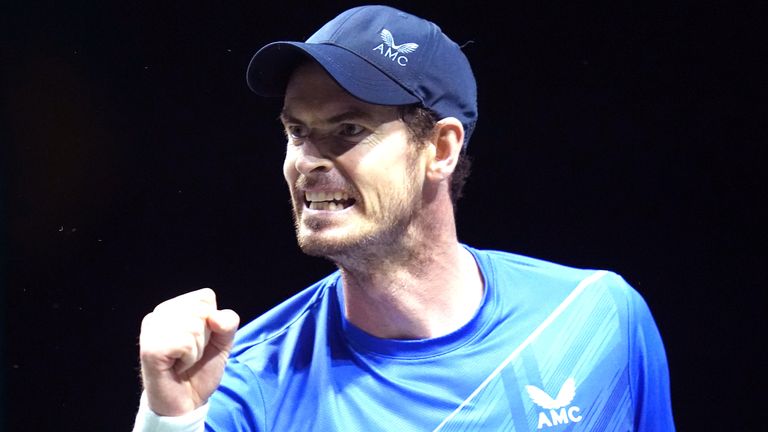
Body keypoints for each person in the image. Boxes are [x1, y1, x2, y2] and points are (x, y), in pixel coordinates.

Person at [132, 5, 675, 431]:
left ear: (440, 149)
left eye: (348, 129)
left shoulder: (596, 318)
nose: (307, 160)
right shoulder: (244, 381)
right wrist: (167, 420)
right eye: (297, 131)